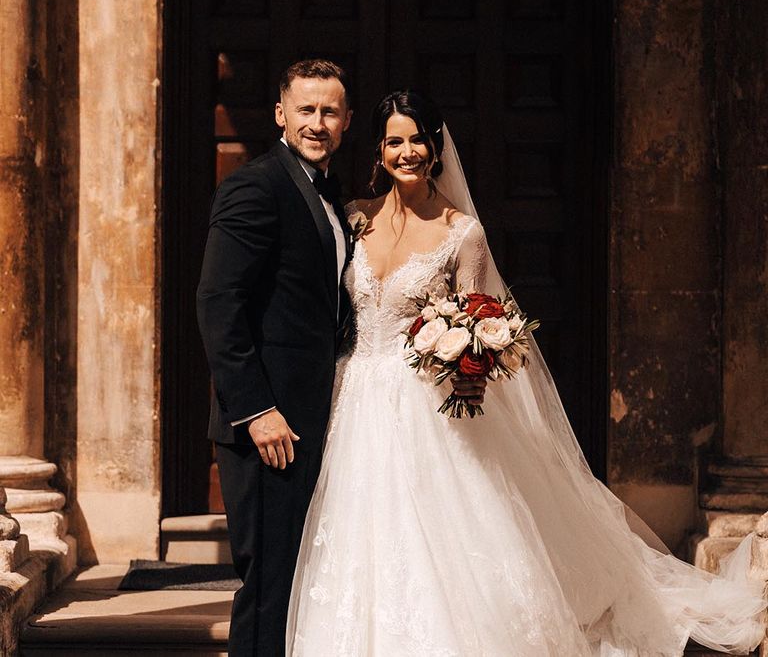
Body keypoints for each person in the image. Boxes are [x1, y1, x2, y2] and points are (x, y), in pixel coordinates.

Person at [286, 90, 767, 656]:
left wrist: (468, 363)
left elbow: (478, 318)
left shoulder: (461, 232)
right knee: (359, 531)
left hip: (424, 405)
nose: (408, 151)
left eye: (419, 139)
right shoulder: (353, 219)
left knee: (439, 534)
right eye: (395, 140)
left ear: (437, 149)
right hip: (356, 398)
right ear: (379, 149)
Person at [196, 62, 485, 656]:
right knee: (269, 584)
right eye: (306, 110)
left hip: (331, 420)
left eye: (330, 112)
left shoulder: (338, 202)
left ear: (348, 122)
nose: (318, 123)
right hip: (268, 424)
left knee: (308, 579)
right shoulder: (256, 186)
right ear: (281, 114)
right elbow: (218, 302)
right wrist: (255, 410)